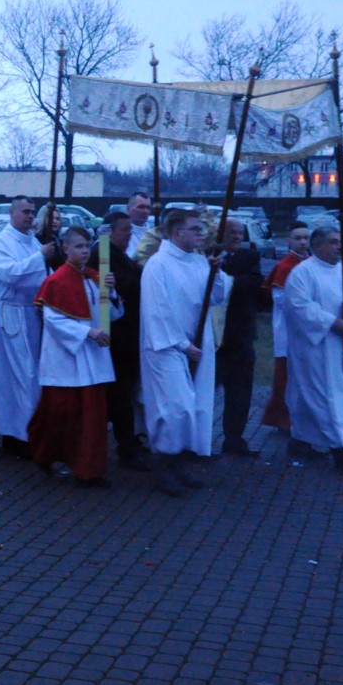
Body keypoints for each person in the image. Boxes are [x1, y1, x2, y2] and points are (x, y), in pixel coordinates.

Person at [140, 207, 230, 496]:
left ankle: (178, 461)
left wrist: (215, 272)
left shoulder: (199, 261)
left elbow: (217, 297)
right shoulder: (158, 265)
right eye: (195, 229)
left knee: (192, 406)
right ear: (178, 233)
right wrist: (182, 345)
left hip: (195, 344)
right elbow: (158, 310)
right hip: (166, 346)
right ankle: (162, 463)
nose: (201, 234)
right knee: (174, 407)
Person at [28, 226, 117, 487]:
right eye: (78, 246)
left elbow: (110, 315)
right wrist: (88, 332)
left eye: (87, 246)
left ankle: (88, 470)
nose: (85, 251)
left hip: (93, 358)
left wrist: (110, 292)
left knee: (91, 418)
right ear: (66, 248)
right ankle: (45, 454)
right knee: (59, 415)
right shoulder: (56, 281)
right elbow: (53, 320)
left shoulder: (94, 277)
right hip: (66, 359)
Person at [283, 226, 343, 469]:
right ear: (317, 246)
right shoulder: (302, 273)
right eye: (333, 242)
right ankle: (339, 446)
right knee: (319, 394)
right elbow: (298, 306)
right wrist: (331, 322)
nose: (339, 246)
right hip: (315, 346)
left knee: (324, 395)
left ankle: (301, 439)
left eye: (340, 241)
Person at [0, 196, 53, 458]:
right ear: (12, 213)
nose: (30, 216)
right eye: (25, 211)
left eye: (32, 211)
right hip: (13, 312)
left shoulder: (33, 241)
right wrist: (40, 256)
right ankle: (20, 434)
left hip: (32, 312)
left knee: (29, 373)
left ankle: (24, 430)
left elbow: (43, 276)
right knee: (21, 374)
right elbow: (10, 274)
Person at [100, 211, 149, 471]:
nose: (130, 235)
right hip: (117, 336)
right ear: (111, 231)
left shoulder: (119, 255)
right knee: (120, 393)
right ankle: (126, 446)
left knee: (124, 392)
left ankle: (128, 441)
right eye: (125, 230)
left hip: (127, 333)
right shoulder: (104, 255)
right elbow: (123, 286)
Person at [216, 217, 262, 457]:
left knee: (240, 392)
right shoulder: (208, 255)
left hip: (240, 334)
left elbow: (253, 282)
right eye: (231, 232)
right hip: (213, 338)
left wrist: (224, 280)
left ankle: (234, 439)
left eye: (240, 233)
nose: (236, 237)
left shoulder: (249, 257)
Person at [262, 221, 311, 433]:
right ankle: (282, 419)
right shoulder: (284, 266)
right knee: (286, 376)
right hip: (288, 329)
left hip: (308, 329)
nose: (303, 242)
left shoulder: (311, 263)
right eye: (298, 238)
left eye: (306, 238)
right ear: (288, 241)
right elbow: (281, 300)